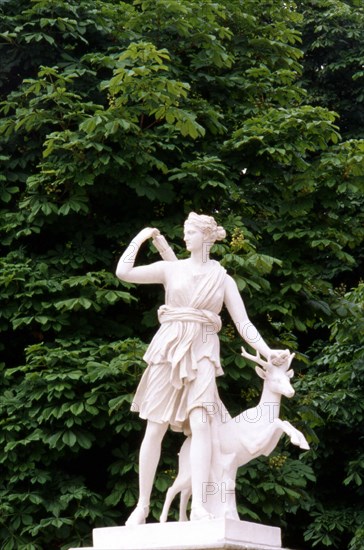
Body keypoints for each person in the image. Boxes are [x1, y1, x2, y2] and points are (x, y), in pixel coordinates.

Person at [115, 212, 289, 525]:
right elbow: (123, 272)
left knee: (202, 424)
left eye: (191, 232)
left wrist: (266, 350)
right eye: (184, 232)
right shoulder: (171, 269)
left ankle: (199, 507)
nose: (185, 238)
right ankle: (141, 506)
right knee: (155, 427)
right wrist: (141, 238)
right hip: (168, 350)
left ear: (206, 237)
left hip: (204, 350)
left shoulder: (223, 279)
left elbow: (243, 323)